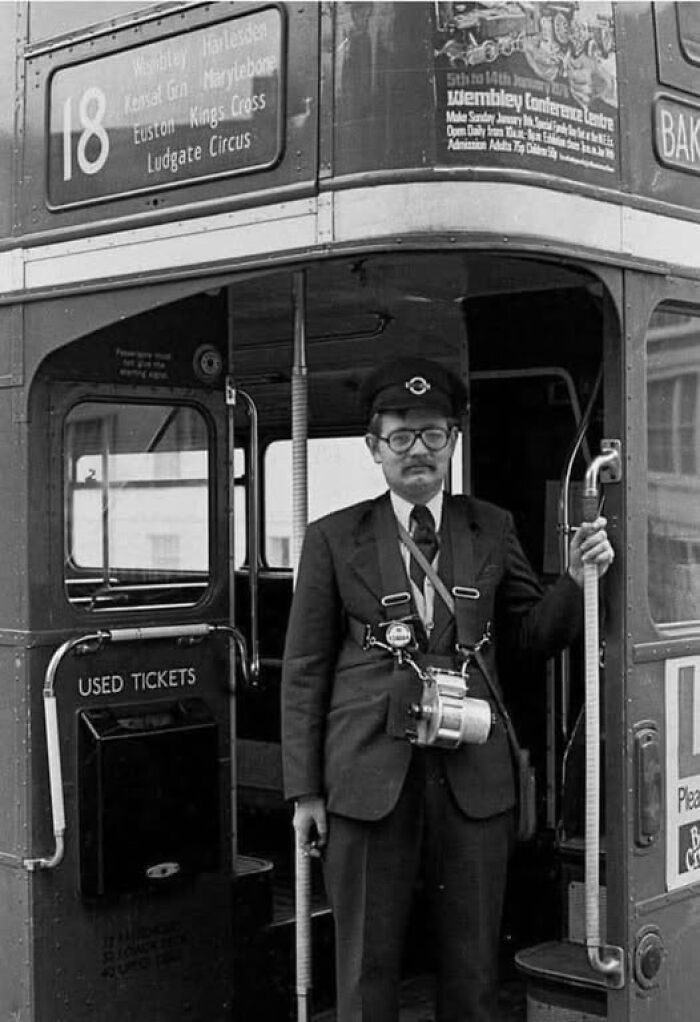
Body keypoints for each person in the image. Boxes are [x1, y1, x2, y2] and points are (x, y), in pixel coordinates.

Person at [281, 357, 614, 1022]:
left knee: (472, 967)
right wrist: (305, 793)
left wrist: (576, 583)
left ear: (453, 442)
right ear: (374, 447)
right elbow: (304, 670)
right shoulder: (331, 538)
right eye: (400, 437)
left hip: (473, 775)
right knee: (366, 968)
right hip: (367, 777)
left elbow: (529, 639)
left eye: (434, 435)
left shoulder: (491, 526)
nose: (419, 451)